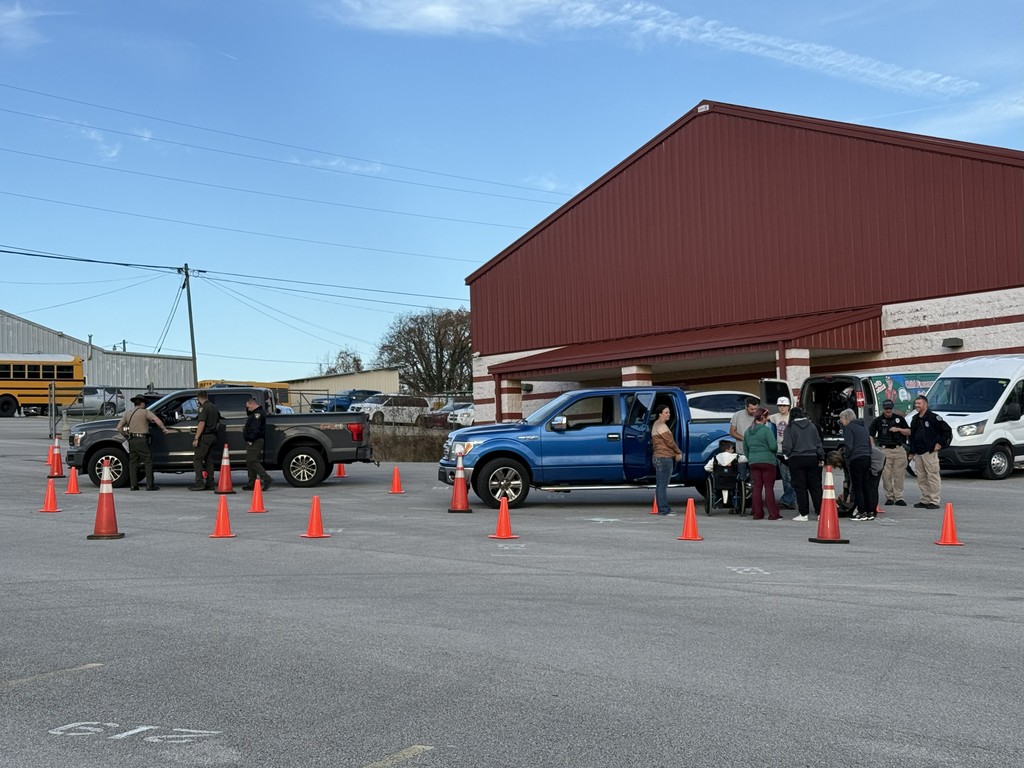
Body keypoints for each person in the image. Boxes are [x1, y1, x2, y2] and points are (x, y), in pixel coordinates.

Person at [905, 394, 952, 510]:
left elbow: (947, 431)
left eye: (919, 404)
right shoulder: (915, 419)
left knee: (932, 476)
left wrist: (939, 443)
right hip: (919, 452)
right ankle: (925, 499)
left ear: (925, 404)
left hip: (929, 452)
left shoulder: (933, 418)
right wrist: (912, 451)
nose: (917, 406)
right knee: (921, 477)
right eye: (916, 404)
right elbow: (913, 437)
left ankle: (934, 500)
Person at [115, 394, 170, 491]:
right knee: (147, 461)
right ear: (142, 403)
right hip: (142, 440)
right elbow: (156, 420)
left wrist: (126, 435)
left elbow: (119, 427)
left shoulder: (128, 413)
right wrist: (164, 429)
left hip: (132, 440)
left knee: (133, 462)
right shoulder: (145, 412)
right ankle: (150, 485)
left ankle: (133, 485)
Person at [781, 406, 824, 521]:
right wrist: (821, 457)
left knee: (800, 487)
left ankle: (803, 514)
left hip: (796, 459)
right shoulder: (812, 426)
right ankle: (820, 513)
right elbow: (818, 443)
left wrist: (787, 454)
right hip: (812, 458)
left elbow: (787, 446)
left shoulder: (790, 428)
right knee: (815, 487)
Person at [869, 398, 910, 505]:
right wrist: (873, 447)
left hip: (898, 449)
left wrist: (898, 429)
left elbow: (908, 431)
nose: (888, 411)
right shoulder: (878, 420)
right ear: (883, 409)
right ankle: (889, 497)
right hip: (884, 450)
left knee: (899, 475)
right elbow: (870, 435)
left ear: (893, 408)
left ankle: (899, 497)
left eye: (890, 409)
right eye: (886, 409)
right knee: (886, 475)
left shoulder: (899, 419)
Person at [743, 406, 779, 520]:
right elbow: (773, 447)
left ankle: (757, 513)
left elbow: (745, 448)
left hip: (753, 461)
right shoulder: (766, 430)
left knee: (757, 488)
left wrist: (751, 458)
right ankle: (773, 514)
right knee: (768, 488)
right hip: (767, 461)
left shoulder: (748, 431)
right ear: (763, 417)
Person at [839, 408, 874, 520]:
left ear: (846, 418)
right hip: (866, 457)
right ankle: (870, 511)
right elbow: (869, 444)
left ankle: (861, 511)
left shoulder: (848, 428)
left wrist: (847, 458)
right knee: (866, 486)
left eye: (841, 418)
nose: (841, 421)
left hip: (856, 458)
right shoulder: (863, 427)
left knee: (857, 487)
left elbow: (849, 445)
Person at [651, 404, 682, 516]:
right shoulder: (662, 426)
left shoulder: (656, 424)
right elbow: (670, 442)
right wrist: (678, 452)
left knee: (660, 485)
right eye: (666, 412)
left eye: (669, 412)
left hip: (658, 457)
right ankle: (664, 510)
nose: (668, 414)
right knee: (663, 485)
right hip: (664, 458)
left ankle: (662, 508)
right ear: (660, 414)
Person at [189, 390, 221, 491]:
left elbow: (201, 423)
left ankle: (199, 483)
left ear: (199, 398)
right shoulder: (214, 407)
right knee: (209, 460)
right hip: (213, 436)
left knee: (197, 459)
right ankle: (210, 483)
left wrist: (196, 438)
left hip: (205, 436)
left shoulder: (203, 408)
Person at [768, 397, 797, 509]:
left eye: (784, 406)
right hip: (779, 450)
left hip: (791, 450)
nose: (782, 408)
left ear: (789, 407)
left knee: (790, 477)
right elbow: (765, 418)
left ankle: (787, 499)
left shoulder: (792, 417)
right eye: (780, 406)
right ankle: (790, 501)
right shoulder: (775, 417)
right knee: (785, 478)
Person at [703, 438, 747, 511]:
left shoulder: (716, 458)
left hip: (719, 481)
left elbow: (706, 468)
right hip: (732, 481)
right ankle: (736, 505)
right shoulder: (735, 457)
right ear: (727, 450)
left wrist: (714, 471)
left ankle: (718, 501)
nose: (733, 451)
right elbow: (746, 459)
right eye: (732, 449)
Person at [243, 396, 273, 492]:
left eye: (248, 407)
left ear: (252, 404)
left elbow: (255, 429)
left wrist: (250, 439)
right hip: (253, 440)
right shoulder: (255, 413)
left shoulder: (257, 415)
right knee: (250, 462)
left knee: (253, 460)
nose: (248, 409)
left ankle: (266, 478)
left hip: (255, 440)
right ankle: (251, 483)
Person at [729, 397, 760, 481]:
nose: (754, 411)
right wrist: (743, 438)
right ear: (746, 407)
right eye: (751, 409)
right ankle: (742, 493)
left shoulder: (760, 416)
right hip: (741, 452)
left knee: (755, 478)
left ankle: (754, 494)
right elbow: (732, 432)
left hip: (755, 453)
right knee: (740, 477)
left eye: (756, 409)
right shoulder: (737, 415)